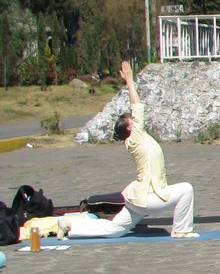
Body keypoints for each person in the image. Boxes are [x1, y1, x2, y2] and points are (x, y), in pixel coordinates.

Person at [65, 61, 197, 239]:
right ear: (129, 128)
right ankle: (181, 230)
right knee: (186, 189)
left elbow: (136, 112)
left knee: (115, 230)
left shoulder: (140, 139)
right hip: (148, 197)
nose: (134, 119)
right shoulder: (135, 139)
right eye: (131, 120)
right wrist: (129, 81)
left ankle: (70, 226)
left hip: (139, 197)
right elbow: (137, 107)